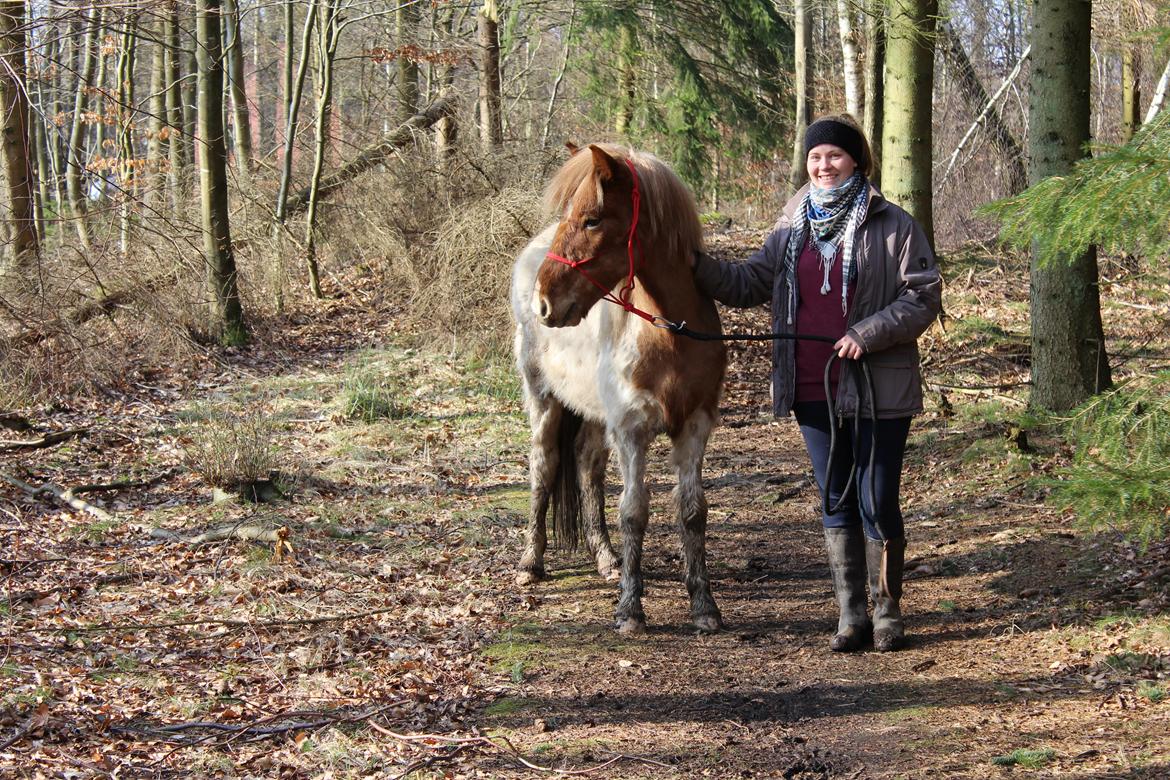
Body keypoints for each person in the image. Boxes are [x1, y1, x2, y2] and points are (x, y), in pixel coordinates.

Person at [692, 114, 941, 652]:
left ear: (857, 160)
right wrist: (692, 263)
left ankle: (886, 609)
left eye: (834, 155)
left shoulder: (894, 224)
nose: (823, 165)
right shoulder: (788, 227)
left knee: (877, 497)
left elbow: (922, 297)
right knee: (834, 496)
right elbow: (750, 282)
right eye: (814, 157)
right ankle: (850, 615)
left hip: (880, 384)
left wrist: (867, 333)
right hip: (811, 384)